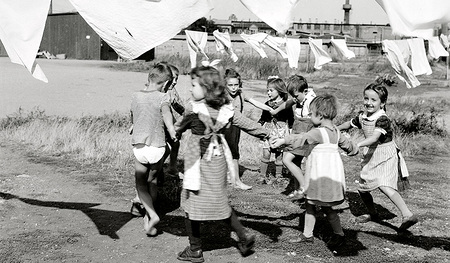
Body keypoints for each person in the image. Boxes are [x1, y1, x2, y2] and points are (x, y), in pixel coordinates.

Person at [175, 65, 270, 262]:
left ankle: (195, 249)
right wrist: (268, 133)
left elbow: (178, 128)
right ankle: (243, 238)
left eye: (194, 85)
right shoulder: (227, 109)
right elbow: (248, 124)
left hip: (198, 163)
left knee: (190, 203)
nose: (191, 89)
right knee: (219, 201)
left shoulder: (193, 109)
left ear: (206, 88)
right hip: (217, 160)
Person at [270, 94, 358, 248]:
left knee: (325, 207)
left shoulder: (318, 132)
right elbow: (348, 146)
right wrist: (355, 150)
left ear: (321, 115)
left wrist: (283, 140)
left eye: (311, 113)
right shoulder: (336, 131)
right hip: (329, 175)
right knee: (311, 203)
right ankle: (308, 234)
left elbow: (301, 138)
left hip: (320, 176)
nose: (310, 116)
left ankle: (339, 235)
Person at [337, 80, 418, 232]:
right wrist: (335, 129)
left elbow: (374, 138)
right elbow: (349, 123)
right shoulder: (363, 116)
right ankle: (372, 213)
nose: (368, 103)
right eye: (366, 98)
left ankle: (407, 214)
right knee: (363, 188)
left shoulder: (382, 119)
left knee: (384, 185)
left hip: (385, 154)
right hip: (371, 155)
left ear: (382, 103)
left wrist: (357, 145)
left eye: (373, 100)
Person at [129, 62, 176, 236]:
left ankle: (151, 215)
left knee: (140, 184)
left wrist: (133, 126)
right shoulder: (163, 97)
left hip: (140, 147)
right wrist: (171, 130)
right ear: (165, 84)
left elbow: (133, 116)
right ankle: (149, 219)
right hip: (157, 148)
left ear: (148, 78)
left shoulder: (135, 95)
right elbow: (166, 114)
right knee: (153, 181)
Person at [270, 75, 315, 199]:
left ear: (305, 91)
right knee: (295, 162)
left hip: (305, 134)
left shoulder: (312, 101)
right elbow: (288, 103)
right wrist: (275, 111)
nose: (294, 99)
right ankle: (298, 190)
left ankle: (305, 187)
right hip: (296, 131)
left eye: (296, 96)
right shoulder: (298, 97)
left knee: (287, 159)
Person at [258, 76, 294, 184]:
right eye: (267, 90)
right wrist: (259, 125)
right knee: (266, 153)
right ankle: (262, 176)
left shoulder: (286, 105)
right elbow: (263, 118)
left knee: (279, 155)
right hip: (269, 132)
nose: (268, 93)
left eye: (271, 90)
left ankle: (278, 176)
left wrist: (291, 130)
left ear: (279, 90)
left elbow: (290, 119)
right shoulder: (266, 104)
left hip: (281, 132)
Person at [223, 68, 252, 190]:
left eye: (236, 85)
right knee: (226, 153)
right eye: (230, 85)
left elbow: (254, 102)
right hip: (224, 128)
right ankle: (235, 180)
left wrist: (271, 109)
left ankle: (233, 178)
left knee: (234, 152)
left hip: (236, 128)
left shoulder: (240, 94)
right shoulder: (222, 95)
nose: (233, 88)